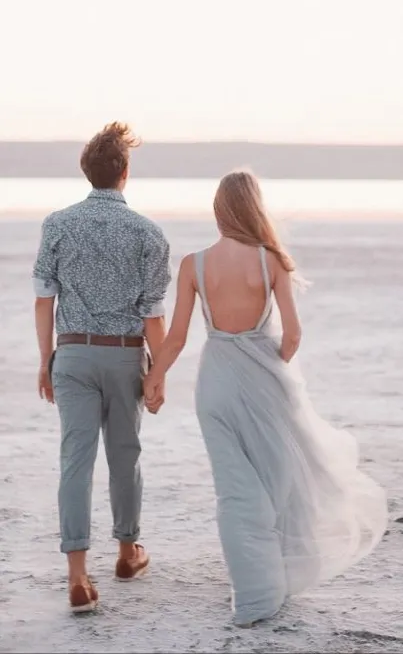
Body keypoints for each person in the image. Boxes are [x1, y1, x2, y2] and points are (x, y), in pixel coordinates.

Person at [144, 170, 388, 627]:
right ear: (254, 208)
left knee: (233, 490)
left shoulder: (193, 264)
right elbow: (293, 335)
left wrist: (154, 378)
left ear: (219, 211)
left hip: (214, 382)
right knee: (277, 480)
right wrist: (269, 363)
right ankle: (272, 584)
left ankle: (252, 592)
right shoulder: (270, 260)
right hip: (264, 382)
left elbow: (175, 338)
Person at [33, 122, 171, 613]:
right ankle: (128, 553)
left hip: (70, 353)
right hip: (124, 354)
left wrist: (46, 359)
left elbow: (44, 300)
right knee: (124, 456)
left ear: (86, 172)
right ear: (125, 173)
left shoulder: (57, 224)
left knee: (75, 460)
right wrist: (158, 376)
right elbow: (153, 315)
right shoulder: (148, 233)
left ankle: (77, 575)